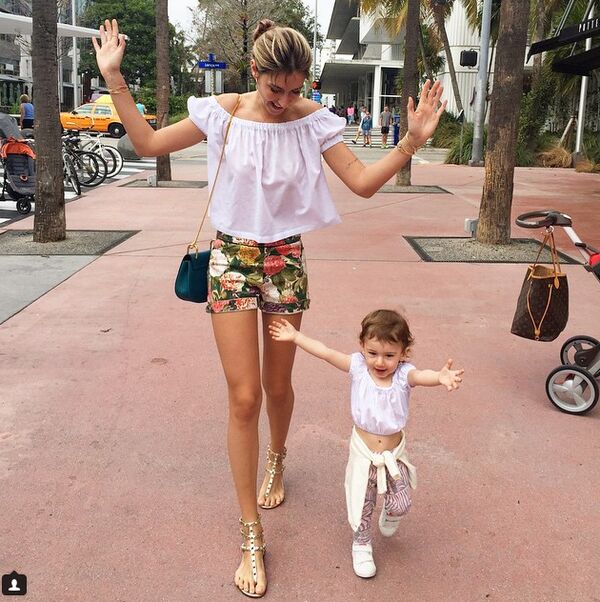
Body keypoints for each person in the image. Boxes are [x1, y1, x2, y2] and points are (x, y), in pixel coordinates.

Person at [93, 17, 446, 598]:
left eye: (294, 89)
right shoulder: (222, 113)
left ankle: (277, 456)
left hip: (285, 261)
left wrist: (410, 142)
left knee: (278, 387)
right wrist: (114, 78)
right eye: (273, 88)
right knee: (244, 397)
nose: (282, 100)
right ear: (254, 71)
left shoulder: (313, 121)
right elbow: (149, 144)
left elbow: (361, 182)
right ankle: (251, 533)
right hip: (231, 259)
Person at [269, 309, 464, 579]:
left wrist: (440, 378)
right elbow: (326, 352)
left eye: (389, 355)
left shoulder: (403, 375)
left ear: (404, 353)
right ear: (362, 346)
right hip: (363, 453)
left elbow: (422, 376)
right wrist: (296, 337)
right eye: (373, 353)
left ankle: (391, 512)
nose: (380, 362)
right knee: (362, 502)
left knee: (402, 503)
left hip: (393, 455)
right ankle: (361, 544)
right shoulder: (359, 367)